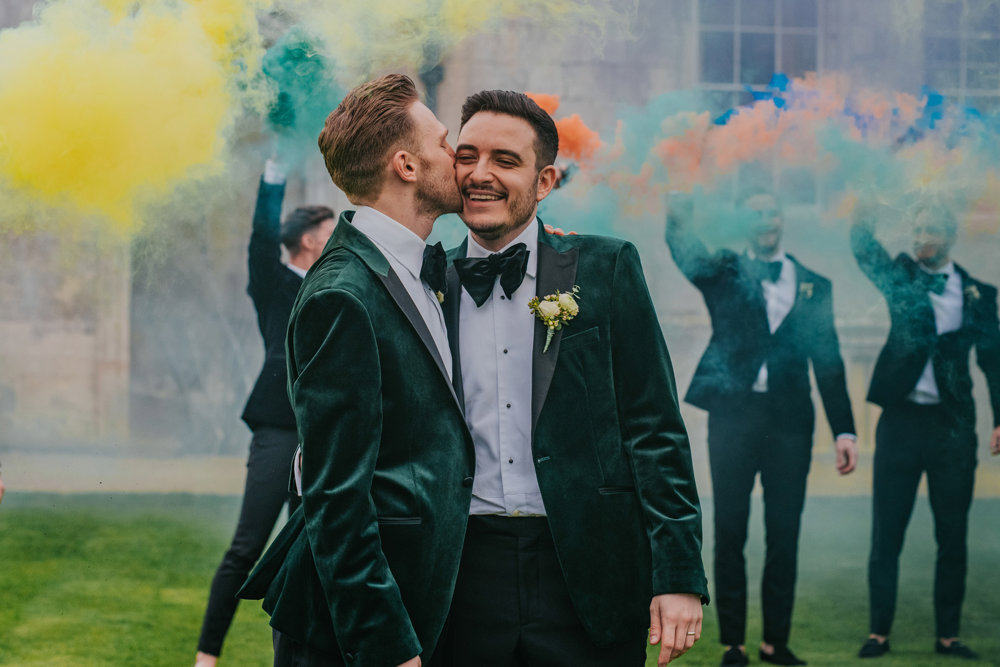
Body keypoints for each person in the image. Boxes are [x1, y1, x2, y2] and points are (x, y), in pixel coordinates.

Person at [438, 90, 708, 667]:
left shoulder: (607, 268)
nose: (480, 174)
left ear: (545, 182)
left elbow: (654, 429)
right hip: (457, 576)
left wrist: (678, 574)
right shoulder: (421, 279)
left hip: (589, 569)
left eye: (505, 160)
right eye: (467, 155)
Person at [238, 73, 473, 667]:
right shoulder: (341, 295)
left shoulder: (420, 270)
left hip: (419, 602)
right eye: (445, 143)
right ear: (407, 166)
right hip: (354, 633)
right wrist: (386, 645)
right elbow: (335, 497)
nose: (459, 157)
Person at [665, 191, 857, 667]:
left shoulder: (816, 285)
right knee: (730, 531)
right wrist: (679, 201)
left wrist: (845, 431)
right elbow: (684, 248)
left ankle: (776, 643)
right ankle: (734, 643)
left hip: (792, 422)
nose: (765, 221)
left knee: (784, 533)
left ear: (782, 219)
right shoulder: (725, 271)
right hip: (733, 415)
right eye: (755, 213)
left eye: (772, 211)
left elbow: (828, 360)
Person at [194, 161, 335, 667]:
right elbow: (259, 237)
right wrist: (274, 167)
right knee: (248, 547)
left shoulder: (338, 284)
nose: (336, 237)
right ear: (307, 242)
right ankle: (207, 656)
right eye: (329, 231)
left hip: (326, 433)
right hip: (279, 427)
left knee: (312, 553)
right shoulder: (275, 282)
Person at [851, 200, 1000, 661]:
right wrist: (868, 202)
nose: (919, 239)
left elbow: (993, 362)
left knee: (952, 535)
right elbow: (863, 248)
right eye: (915, 231)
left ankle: (948, 636)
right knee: (886, 533)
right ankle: (878, 633)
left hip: (952, 429)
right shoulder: (901, 275)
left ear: (949, 236)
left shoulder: (979, 293)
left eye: (929, 231)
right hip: (899, 424)